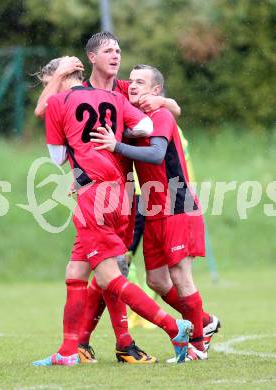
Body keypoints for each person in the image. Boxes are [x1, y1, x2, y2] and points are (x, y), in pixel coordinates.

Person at [34, 31, 182, 364]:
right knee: (81, 272)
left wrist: (112, 144)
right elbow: (145, 125)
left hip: (110, 193)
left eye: (118, 49)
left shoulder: (118, 91)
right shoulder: (112, 97)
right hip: (108, 189)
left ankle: (174, 328)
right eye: (108, 50)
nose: (116, 55)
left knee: (109, 275)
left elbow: (49, 128)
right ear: (91, 59)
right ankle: (79, 348)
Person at [90, 64, 220, 361]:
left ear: (155, 90)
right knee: (157, 281)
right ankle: (206, 322)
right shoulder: (137, 113)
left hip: (177, 204)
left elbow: (157, 154)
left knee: (180, 275)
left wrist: (117, 145)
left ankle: (197, 346)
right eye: (131, 81)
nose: (132, 85)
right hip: (153, 209)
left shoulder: (160, 116)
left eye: (140, 82)